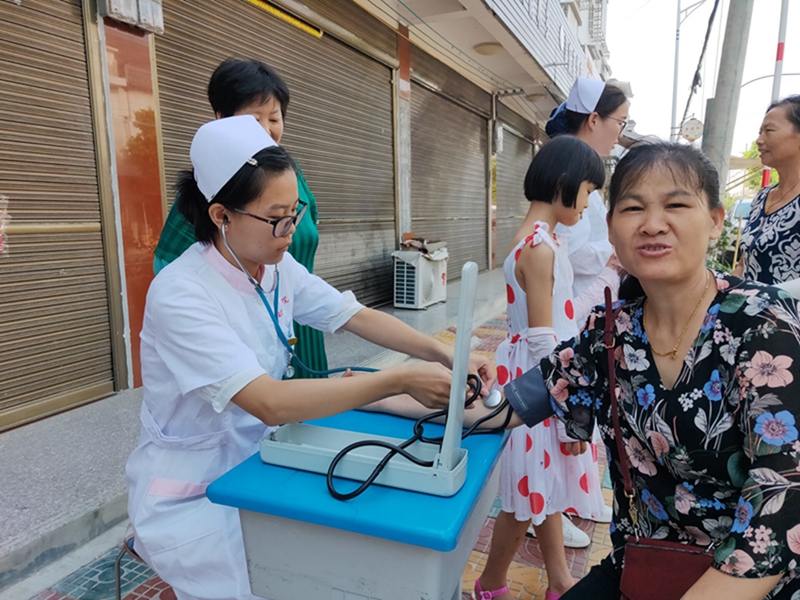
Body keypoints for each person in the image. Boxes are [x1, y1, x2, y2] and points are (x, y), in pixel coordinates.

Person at [126, 115, 493, 600]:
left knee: (328, 560)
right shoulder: (180, 293)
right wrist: (397, 380)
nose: (291, 229)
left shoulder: (274, 266)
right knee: (272, 582)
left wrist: (446, 353)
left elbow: (352, 314)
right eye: (277, 217)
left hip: (262, 462)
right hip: (196, 492)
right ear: (221, 215)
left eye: (294, 211)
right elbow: (268, 402)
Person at [501, 142, 800, 599]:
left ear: (715, 221)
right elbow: (517, 402)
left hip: (754, 582)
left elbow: (783, 494)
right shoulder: (610, 331)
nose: (653, 224)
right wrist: (403, 386)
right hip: (644, 562)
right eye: (633, 208)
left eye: (676, 205)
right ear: (610, 228)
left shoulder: (764, 323)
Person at [473, 136, 608, 600]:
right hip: (543, 380)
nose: (587, 204)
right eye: (588, 191)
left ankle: (559, 580)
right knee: (528, 490)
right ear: (565, 182)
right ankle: (491, 584)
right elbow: (543, 339)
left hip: (536, 375)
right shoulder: (540, 247)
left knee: (540, 482)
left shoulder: (535, 239)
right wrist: (572, 417)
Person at [154, 58, 330, 378]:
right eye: (253, 119)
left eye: (274, 118)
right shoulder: (212, 188)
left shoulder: (293, 177)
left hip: (299, 313)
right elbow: (172, 266)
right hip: (243, 333)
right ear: (221, 119)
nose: (266, 130)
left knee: (312, 396)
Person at [546, 77, 630, 324]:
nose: (620, 135)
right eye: (620, 122)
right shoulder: (569, 175)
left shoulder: (577, 170)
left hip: (581, 307)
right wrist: (616, 254)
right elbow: (569, 252)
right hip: (574, 310)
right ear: (594, 120)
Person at [735, 95, 800, 285]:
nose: (759, 140)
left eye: (769, 130)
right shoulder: (762, 197)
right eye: (759, 132)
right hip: (751, 304)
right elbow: (743, 264)